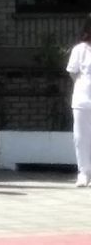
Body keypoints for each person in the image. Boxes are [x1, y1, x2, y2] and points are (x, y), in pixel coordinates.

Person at [67, 16, 91, 187]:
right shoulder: (79, 50)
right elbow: (73, 72)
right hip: (83, 99)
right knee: (81, 137)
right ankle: (83, 172)